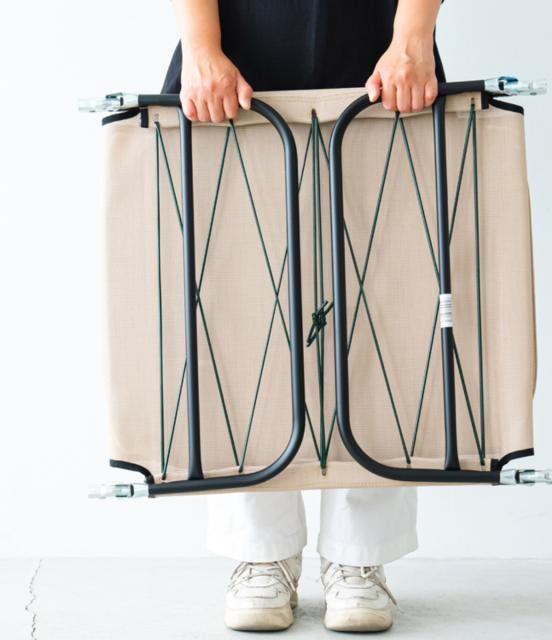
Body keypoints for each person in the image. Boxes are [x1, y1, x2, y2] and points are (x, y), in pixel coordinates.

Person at [162, 0, 445, 632]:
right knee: (242, 307)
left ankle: (360, 556)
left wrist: (414, 34)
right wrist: (200, 44)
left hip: (377, 43)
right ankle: (260, 552)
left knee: (380, 304)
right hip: (239, 51)